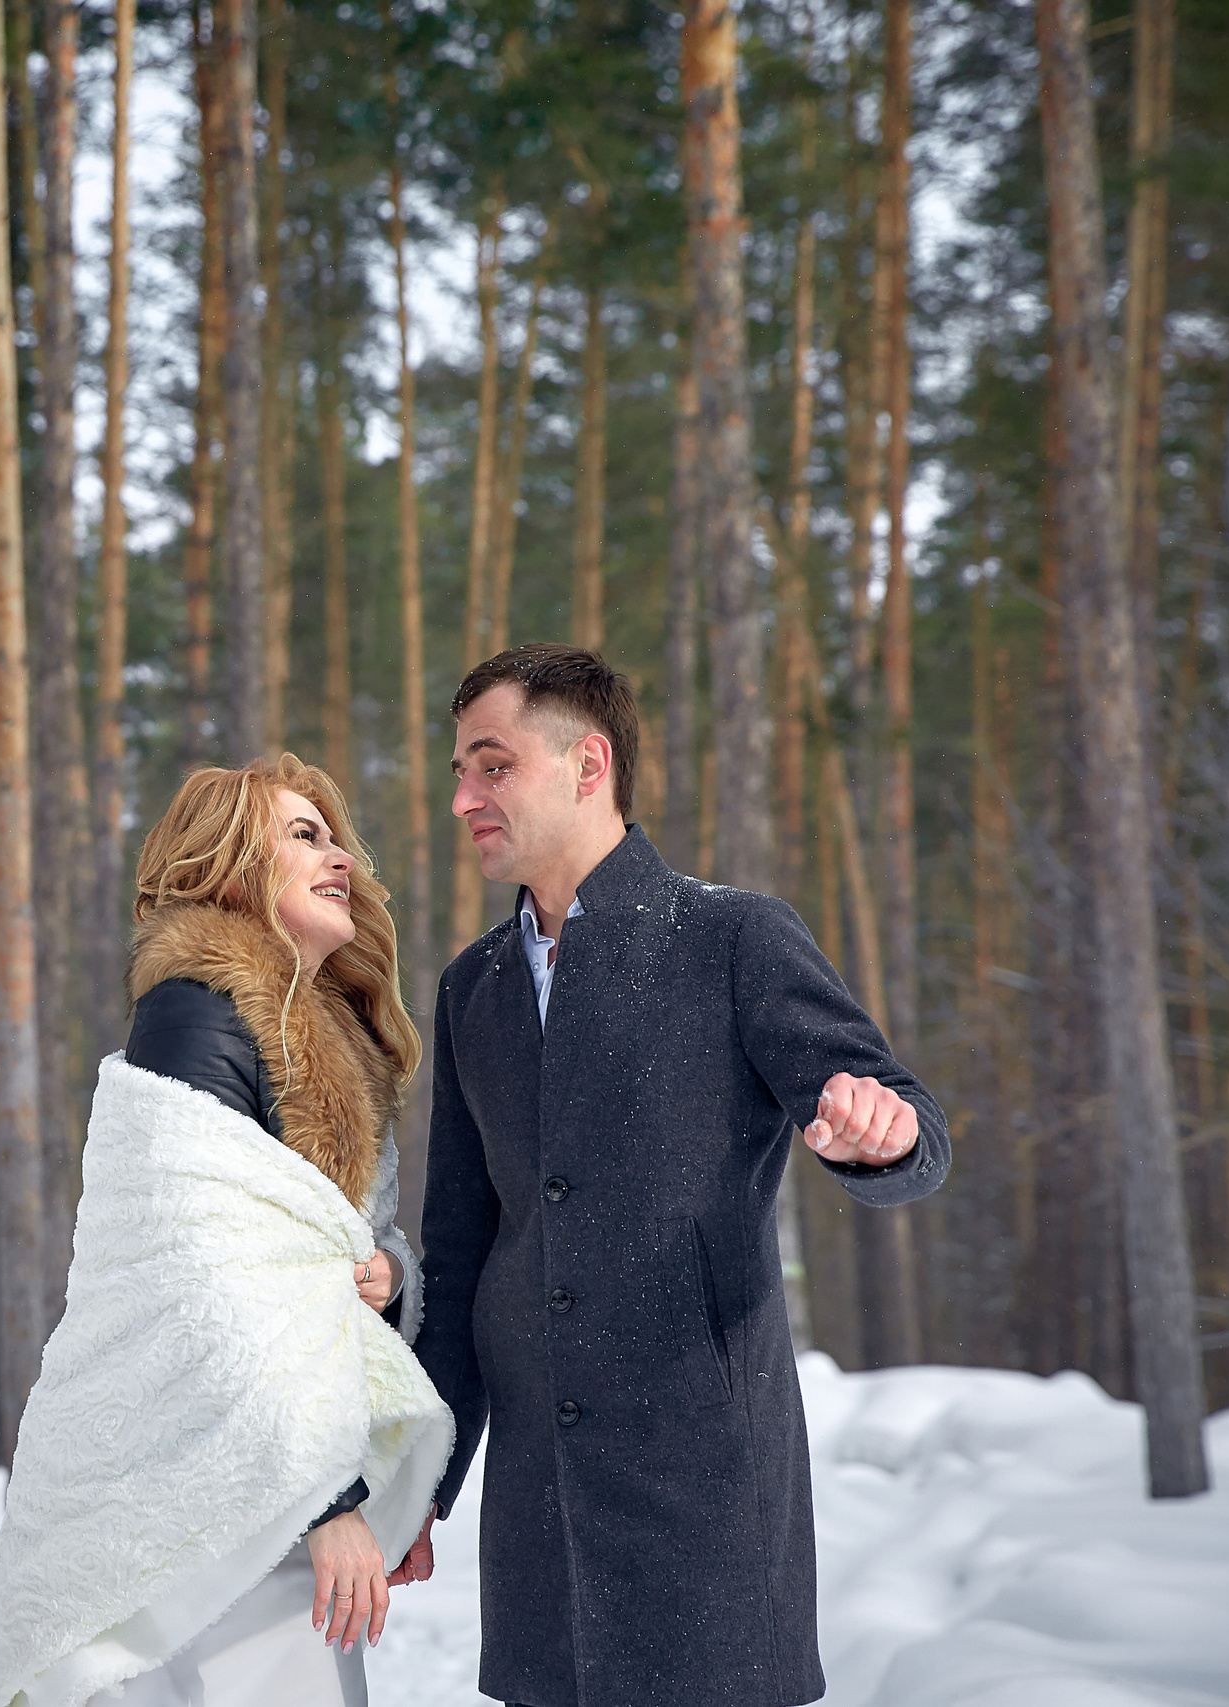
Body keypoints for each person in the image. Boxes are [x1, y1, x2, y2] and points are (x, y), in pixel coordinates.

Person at [401, 644, 950, 1707]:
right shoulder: (472, 987)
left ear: (588, 764)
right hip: (539, 1532)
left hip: (706, 1511)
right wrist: (423, 1473)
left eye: (492, 765)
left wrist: (880, 1136)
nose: (462, 798)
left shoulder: (731, 938)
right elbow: (462, 1254)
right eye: (459, 771)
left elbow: (905, 1121)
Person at [0, 754, 454, 1707]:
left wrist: (389, 1275)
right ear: (233, 870)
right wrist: (330, 1502)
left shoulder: (334, 1038)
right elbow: (201, 1277)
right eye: (304, 836)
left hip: (270, 1479)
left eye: (338, 839)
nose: (341, 858)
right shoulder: (196, 1010)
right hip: (195, 1497)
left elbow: (330, 1246)